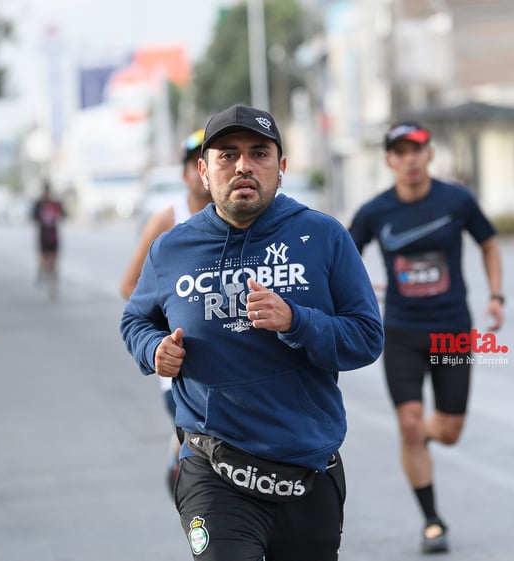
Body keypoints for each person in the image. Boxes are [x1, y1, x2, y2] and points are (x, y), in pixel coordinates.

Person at [120, 104, 384, 560]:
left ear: (280, 168)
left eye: (259, 153)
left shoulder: (323, 236)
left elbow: (366, 337)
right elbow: (135, 321)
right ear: (204, 171)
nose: (243, 165)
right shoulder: (172, 249)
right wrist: (152, 349)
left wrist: (296, 321)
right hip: (212, 467)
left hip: (306, 468)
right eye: (227, 155)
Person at [348, 122, 505, 554]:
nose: (410, 159)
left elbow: (489, 243)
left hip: (452, 330)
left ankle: (417, 438)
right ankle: (432, 520)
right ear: (389, 161)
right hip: (401, 332)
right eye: (400, 152)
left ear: (428, 155)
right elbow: (343, 255)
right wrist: (361, 289)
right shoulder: (374, 211)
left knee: (450, 431)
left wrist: (496, 295)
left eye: (416, 150)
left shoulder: (456, 199)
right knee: (410, 422)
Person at [119, 128, 213, 493]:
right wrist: (164, 336)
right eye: (195, 164)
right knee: (198, 443)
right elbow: (131, 286)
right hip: (179, 369)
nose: (203, 173)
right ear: (188, 173)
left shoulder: (243, 220)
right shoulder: (167, 221)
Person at [31, 182, 67, 297]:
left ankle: (53, 285)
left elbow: (64, 214)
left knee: (54, 263)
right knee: (44, 259)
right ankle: (42, 273)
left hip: (53, 237)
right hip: (43, 236)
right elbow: (33, 216)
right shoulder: (39, 203)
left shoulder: (55, 203)